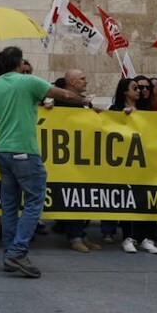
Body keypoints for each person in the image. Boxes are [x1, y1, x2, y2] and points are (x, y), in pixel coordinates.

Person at [0, 46, 86, 278]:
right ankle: (18, 251)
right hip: (25, 152)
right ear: (19, 64)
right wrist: (83, 100)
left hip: (3, 152)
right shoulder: (28, 82)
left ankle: (10, 252)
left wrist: (5, 126)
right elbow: (64, 95)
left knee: (8, 205)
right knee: (34, 202)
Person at [107, 77, 157, 254]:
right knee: (128, 199)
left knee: (146, 199)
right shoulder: (115, 110)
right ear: (125, 91)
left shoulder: (146, 110)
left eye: (139, 88)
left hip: (145, 162)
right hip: (124, 162)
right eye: (135, 88)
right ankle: (128, 237)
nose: (139, 91)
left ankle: (147, 238)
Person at [52, 69, 102, 254]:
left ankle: (82, 235)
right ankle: (74, 237)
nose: (86, 82)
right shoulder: (58, 100)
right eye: (82, 79)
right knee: (70, 197)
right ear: (72, 82)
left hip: (80, 158)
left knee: (80, 198)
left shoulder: (82, 102)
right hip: (64, 160)